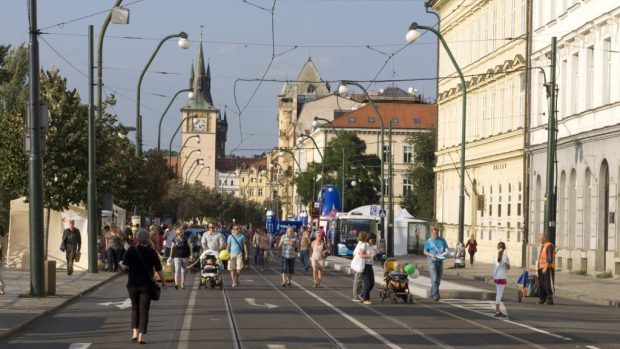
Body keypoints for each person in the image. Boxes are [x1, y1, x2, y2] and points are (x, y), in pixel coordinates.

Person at [120, 229, 166, 344]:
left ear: (137, 238)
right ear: (148, 239)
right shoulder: (152, 252)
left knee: (135, 308)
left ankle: (134, 333)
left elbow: (124, 267)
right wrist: (164, 282)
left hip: (132, 285)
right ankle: (141, 336)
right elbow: (159, 269)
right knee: (144, 310)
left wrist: (122, 265)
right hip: (147, 286)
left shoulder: (131, 250)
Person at [423, 227, 449, 301]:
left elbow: (446, 249)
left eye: (437, 233)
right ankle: (436, 295)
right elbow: (425, 252)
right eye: (434, 233)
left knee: (438, 278)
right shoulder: (429, 241)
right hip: (431, 261)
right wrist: (431, 255)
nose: (436, 235)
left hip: (440, 260)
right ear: (432, 233)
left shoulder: (442, 240)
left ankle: (432, 292)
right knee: (434, 277)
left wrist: (446, 252)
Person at [354, 232, 376, 305]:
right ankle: (366, 298)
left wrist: (375, 253)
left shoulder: (371, 246)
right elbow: (361, 255)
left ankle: (363, 295)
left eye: (374, 240)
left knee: (372, 283)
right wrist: (370, 256)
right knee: (367, 283)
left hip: (370, 265)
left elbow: (373, 254)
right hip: (365, 265)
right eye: (372, 240)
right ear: (368, 239)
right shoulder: (364, 245)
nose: (373, 241)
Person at [493, 241, 510, 317]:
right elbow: (508, 267)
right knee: (499, 294)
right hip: (502, 277)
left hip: (496, 277)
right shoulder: (505, 257)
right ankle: (497, 311)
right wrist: (507, 263)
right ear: (504, 248)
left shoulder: (494, 256)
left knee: (498, 293)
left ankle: (498, 310)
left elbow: (496, 265)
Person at [537, 234, 555, 305]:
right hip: (541, 267)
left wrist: (546, 267)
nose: (539, 240)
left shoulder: (549, 246)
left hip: (547, 268)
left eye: (540, 238)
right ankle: (542, 299)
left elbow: (549, 258)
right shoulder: (543, 246)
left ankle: (549, 299)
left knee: (547, 284)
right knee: (541, 284)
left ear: (544, 238)